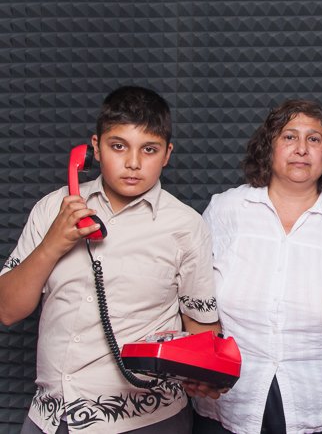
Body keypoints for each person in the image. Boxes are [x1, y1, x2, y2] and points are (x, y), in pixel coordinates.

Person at [0, 86, 222, 434]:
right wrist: (52, 244)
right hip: (50, 419)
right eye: (118, 146)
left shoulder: (186, 226)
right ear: (94, 148)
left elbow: (201, 327)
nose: (133, 163)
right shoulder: (52, 208)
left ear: (167, 154)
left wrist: (208, 374)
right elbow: (8, 310)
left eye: (149, 149)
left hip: (147, 421)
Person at [193, 99, 322, 434]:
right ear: (269, 147)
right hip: (232, 399)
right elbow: (196, 302)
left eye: (314, 139)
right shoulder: (225, 211)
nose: (301, 149)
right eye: (289, 137)